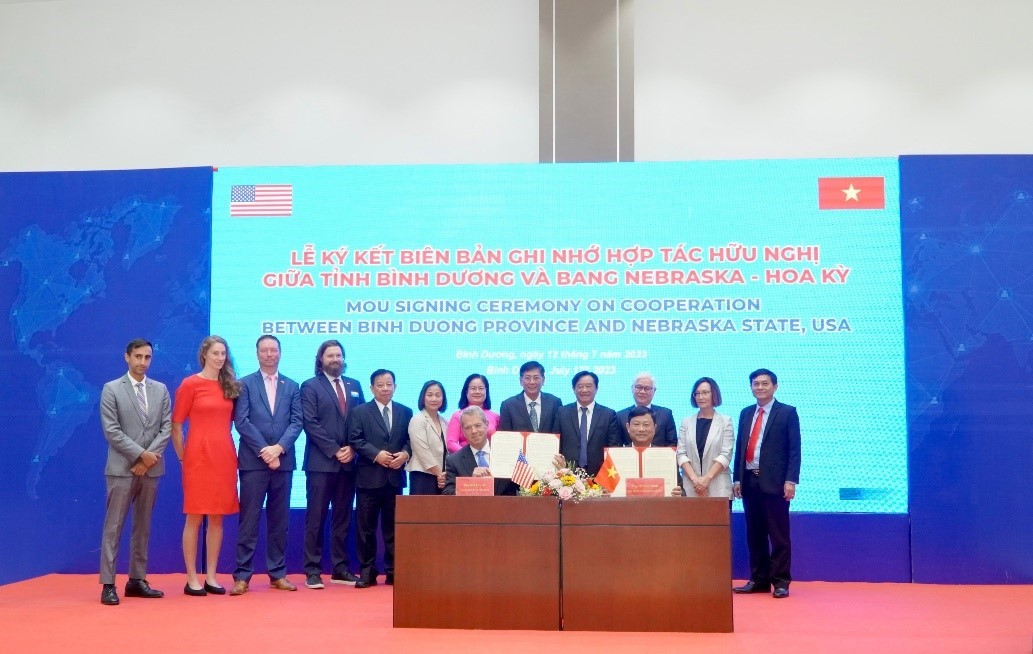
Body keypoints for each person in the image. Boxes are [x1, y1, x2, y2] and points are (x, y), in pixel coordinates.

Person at [97, 338, 171, 606]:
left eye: (147, 357)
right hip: (121, 469)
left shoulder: (161, 390)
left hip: (150, 470)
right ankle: (108, 583)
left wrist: (147, 460)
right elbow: (112, 430)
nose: (143, 362)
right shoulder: (111, 389)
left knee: (143, 527)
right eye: (138, 356)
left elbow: (166, 428)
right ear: (126, 357)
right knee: (114, 527)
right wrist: (140, 455)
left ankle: (137, 580)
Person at [230, 335, 302, 596]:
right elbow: (242, 421)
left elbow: (297, 422)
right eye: (265, 350)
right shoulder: (244, 384)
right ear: (257, 354)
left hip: (283, 462)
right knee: (249, 520)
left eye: (274, 350)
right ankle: (242, 576)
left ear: (280, 353)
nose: (270, 354)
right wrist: (265, 451)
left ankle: (277, 574)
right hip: (253, 462)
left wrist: (279, 449)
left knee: (279, 520)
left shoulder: (292, 386)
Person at [171, 335, 240, 596]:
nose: (220, 358)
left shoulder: (230, 385)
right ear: (204, 355)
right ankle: (192, 578)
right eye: (215, 354)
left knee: (217, 518)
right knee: (195, 517)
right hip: (197, 457)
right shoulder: (190, 385)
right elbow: (176, 425)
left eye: (223, 353)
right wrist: (182, 456)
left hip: (224, 456)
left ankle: (211, 575)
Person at [300, 339, 365, 590]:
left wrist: (353, 448)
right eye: (330, 355)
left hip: (349, 463)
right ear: (321, 359)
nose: (335, 359)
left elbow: (362, 420)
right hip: (321, 463)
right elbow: (311, 424)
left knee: (343, 518)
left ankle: (340, 569)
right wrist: (335, 450)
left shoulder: (355, 385)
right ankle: (313, 570)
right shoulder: (310, 386)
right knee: (315, 517)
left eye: (339, 355)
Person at [732, 369, 801, 599]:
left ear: (775, 386)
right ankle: (759, 579)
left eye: (764, 384)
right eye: (755, 384)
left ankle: (781, 581)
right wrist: (737, 478)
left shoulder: (787, 412)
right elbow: (741, 448)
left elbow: (794, 450)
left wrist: (791, 480)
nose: (759, 387)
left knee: (779, 535)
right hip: (750, 481)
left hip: (776, 483)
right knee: (755, 534)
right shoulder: (745, 413)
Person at [349, 369, 412, 588]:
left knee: (393, 527)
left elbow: (410, 440)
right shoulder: (359, 412)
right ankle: (367, 571)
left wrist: (405, 454)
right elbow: (355, 439)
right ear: (371, 388)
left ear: (395, 386)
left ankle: (393, 570)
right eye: (380, 384)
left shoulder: (406, 411)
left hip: (394, 478)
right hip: (368, 478)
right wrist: (376, 454)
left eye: (389, 384)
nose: (385, 388)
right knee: (365, 528)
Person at [676, 377, 734, 498]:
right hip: (691, 486)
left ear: (714, 394)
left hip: (718, 486)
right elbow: (681, 454)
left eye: (705, 393)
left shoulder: (725, 421)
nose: (701, 397)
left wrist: (706, 480)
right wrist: (696, 481)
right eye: (697, 393)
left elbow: (725, 455)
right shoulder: (686, 422)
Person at [442, 406, 519, 496]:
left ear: (486, 424)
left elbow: (520, 486)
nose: (474, 431)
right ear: (463, 431)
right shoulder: (453, 461)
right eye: (468, 428)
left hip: (505, 508)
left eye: (478, 425)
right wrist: (471, 484)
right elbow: (448, 494)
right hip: (472, 509)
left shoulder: (506, 454)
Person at [557, 371, 622, 476]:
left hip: (600, 475)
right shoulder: (562, 412)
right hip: (567, 475)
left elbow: (614, 447)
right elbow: (557, 443)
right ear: (574, 389)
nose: (584, 390)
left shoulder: (608, 414)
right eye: (580, 386)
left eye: (589, 386)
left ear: (596, 389)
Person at [622, 406, 682, 496]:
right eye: (636, 424)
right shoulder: (617, 456)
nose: (641, 429)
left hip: (659, 508)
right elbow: (604, 490)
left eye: (646, 424)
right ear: (628, 427)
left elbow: (682, 490)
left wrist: (679, 494)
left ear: (654, 428)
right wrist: (605, 494)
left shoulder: (666, 457)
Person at [406, 380, 449, 495]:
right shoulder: (418, 419)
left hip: (442, 478)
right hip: (423, 476)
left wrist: (443, 475)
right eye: (430, 395)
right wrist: (439, 474)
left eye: (438, 395)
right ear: (423, 397)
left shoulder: (445, 421)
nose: (434, 399)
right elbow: (422, 452)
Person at [498, 361, 563, 433]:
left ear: (543, 380)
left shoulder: (554, 402)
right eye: (527, 378)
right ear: (520, 381)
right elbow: (505, 436)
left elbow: (559, 433)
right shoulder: (508, 405)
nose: (532, 382)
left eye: (536, 378)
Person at [616, 372, 677, 446]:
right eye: (638, 387)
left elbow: (672, 443)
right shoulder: (620, 416)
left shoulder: (666, 414)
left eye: (647, 388)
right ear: (632, 388)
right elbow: (616, 446)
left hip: (659, 457)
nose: (642, 391)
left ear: (654, 391)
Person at [445, 373, 499, 453]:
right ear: (466, 391)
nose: (477, 392)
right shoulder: (457, 416)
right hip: (465, 463)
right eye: (473, 388)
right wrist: (470, 456)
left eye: (481, 388)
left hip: (491, 462)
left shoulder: (496, 417)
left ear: (486, 391)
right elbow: (451, 443)